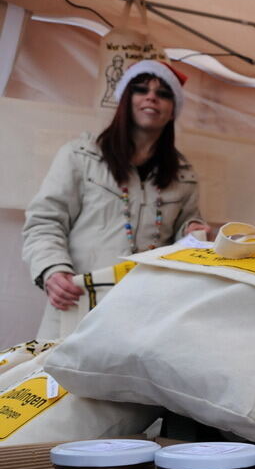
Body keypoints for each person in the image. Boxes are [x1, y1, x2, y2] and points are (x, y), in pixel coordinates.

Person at [22, 60, 211, 339]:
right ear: (125, 100)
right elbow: (45, 221)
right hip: (79, 304)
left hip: (145, 314)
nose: (151, 97)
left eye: (163, 93)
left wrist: (193, 230)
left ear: (173, 109)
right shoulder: (79, 156)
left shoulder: (183, 175)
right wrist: (52, 270)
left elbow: (183, 233)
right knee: (59, 381)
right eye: (141, 89)